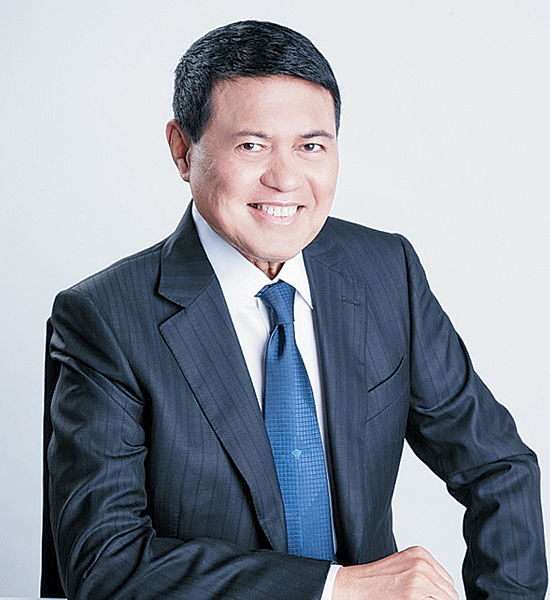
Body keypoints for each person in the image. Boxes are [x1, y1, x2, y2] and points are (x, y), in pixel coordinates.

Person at [46, 20, 546, 600]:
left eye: (311, 146)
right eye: (251, 146)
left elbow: (497, 466)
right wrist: (336, 588)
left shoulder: (386, 271)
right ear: (182, 150)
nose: (285, 179)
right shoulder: (104, 319)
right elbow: (104, 565)